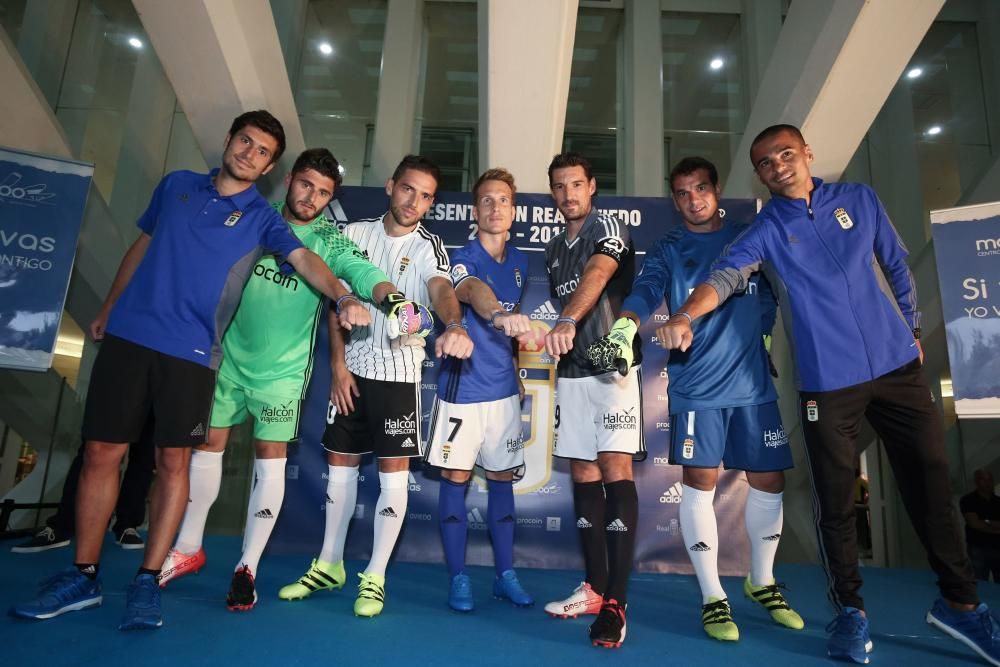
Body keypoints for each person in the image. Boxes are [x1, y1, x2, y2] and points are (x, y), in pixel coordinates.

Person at [10, 110, 371, 631]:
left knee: (174, 462)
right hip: (131, 337)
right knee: (100, 454)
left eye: (263, 151)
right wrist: (111, 305)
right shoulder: (176, 185)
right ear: (229, 140)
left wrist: (341, 294)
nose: (250, 153)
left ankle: (146, 578)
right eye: (245, 141)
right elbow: (144, 243)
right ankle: (83, 575)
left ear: (270, 167)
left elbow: (309, 261)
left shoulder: (263, 219)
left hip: (193, 353)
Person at [657, 124, 998, 665]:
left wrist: (910, 330)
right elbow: (724, 276)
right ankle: (850, 613)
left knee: (931, 487)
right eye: (765, 163)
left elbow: (894, 263)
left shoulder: (857, 198)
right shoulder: (767, 226)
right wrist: (683, 315)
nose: (778, 166)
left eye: (785, 154)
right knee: (835, 503)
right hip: (826, 382)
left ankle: (960, 603)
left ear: (807, 153)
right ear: (759, 176)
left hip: (897, 369)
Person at [156, 148, 430, 611]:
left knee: (270, 457)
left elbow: (365, 274)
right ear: (288, 182)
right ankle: (188, 547)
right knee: (206, 449)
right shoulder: (254, 219)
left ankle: (248, 567)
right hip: (226, 361)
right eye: (306, 185)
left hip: (282, 375)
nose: (312, 197)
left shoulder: (332, 239)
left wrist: (396, 304)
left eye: (324, 192)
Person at [586, 156, 802, 641]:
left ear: (716, 189)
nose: (692, 199)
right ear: (674, 198)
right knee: (700, 481)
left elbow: (767, 297)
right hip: (696, 384)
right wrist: (624, 327)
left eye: (700, 188)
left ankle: (761, 580)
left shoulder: (749, 235)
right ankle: (712, 596)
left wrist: (761, 339)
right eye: (682, 193)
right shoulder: (669, 247)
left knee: (769, 480)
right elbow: (645, 291)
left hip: (752, 384)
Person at [281, 154, 473, 619]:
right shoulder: (352, 235)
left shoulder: (430, 246)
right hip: (353, 371)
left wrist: (456, 326)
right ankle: (329, 564)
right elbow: (335, 301)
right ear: (390, 185)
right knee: (340, 468)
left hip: (399, 376)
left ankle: (376, 575)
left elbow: (443, 290)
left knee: (393, 477)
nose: (416, 202)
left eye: (427, 196)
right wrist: (339, 366)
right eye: (409, 189)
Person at [540, 152, 642, 649]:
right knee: (582, 471)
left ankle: (617, 606)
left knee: (614, 467)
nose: (567, 195)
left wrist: (565, 320)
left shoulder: (611, 229)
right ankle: (595, 588)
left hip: (612, 371)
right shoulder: (555, 248)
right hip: (573, 373)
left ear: (592, 186)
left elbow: (598, 277)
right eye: (559, 187)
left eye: (575, 185)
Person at [423, 167, 534, 612]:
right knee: (456, 480)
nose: (494, 207)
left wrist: (515, 367)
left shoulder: (523, 261)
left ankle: (505, 575)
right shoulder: (462, 257)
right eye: (486, 200)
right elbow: (472, 290)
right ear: (475, 210)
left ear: (513, 210)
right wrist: (497, 315)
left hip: (503, 392)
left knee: (503, 482)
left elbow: (512, 330)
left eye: (503, 200)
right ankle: (458, 578)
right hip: (463, 390)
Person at [12, 421, 155, 553]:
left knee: (144, 457)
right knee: (94, 449)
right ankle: (63, 525)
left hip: (155, 398)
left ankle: (127, 525)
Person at [961, 469, 1000, 583]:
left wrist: (986, 522)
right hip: (978, 548)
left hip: (998, 547)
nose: (987, 483)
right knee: (980, 582)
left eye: (990, 480)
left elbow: (980, 523)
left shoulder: (998, 502)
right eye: (984, 479)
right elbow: (974, 524)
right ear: (977, 481)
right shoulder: (968, 500)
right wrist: (996, 528)